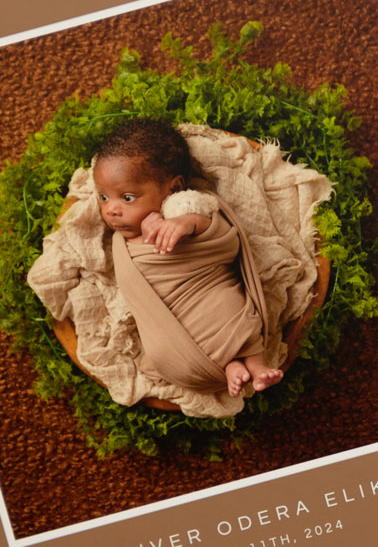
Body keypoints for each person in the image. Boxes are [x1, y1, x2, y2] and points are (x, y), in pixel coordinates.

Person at [91, 117, 282, 399]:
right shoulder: (120, 242)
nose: (112, 210)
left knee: (229, 310)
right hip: (173, 335)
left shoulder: (181, 208)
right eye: (104, 197)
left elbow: (219, 235)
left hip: (207, 290)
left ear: (174, 188)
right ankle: (231, 367)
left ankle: (256, 364)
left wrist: (185, 224)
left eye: (127, 197)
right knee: (172, 344)